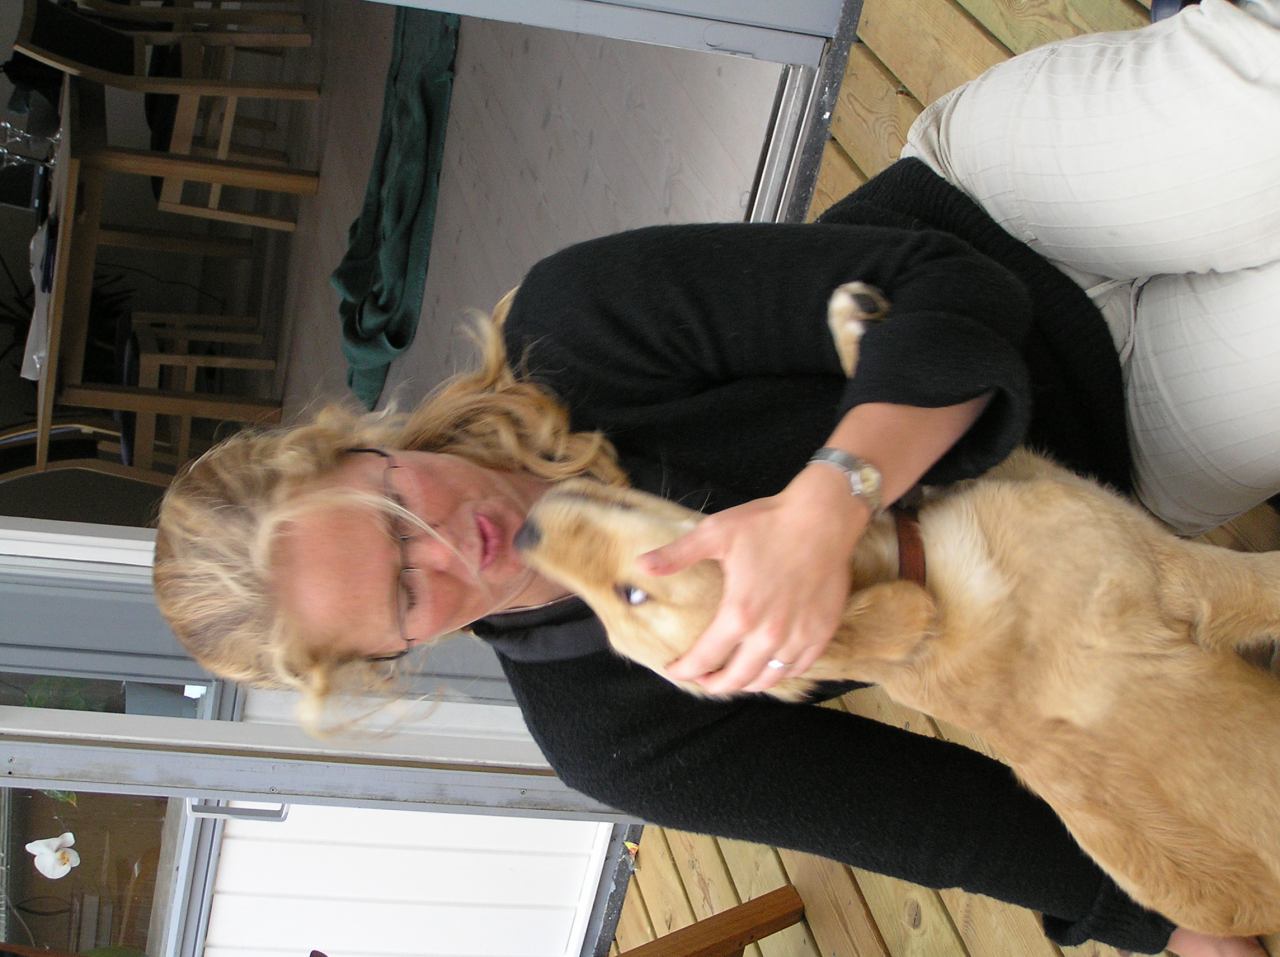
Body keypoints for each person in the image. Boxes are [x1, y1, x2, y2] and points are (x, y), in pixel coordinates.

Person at [152, 2, 1280, 955]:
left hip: (1015, 222)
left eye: (396, 512)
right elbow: (953, 822)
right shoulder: (615, 734)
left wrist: (826, 500)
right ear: (393, 655)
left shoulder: (572, 324)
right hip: (1116, 470)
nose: (450, 547)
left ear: (359, 446)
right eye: (405, 594)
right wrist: (1172, 927)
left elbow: (948, 290)